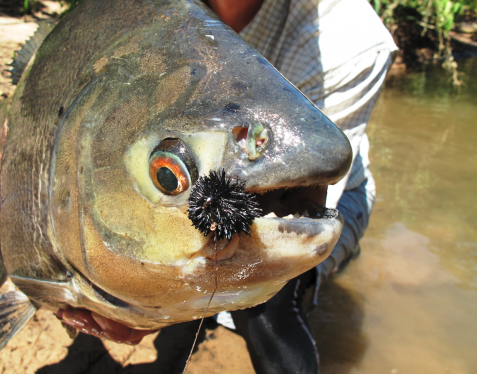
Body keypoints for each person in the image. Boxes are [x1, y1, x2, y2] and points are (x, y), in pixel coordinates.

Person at [58, 0, 397, 371]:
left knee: (267, 300)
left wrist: (165, 303)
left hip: (326, 195)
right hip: (204, 186)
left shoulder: (351, 38)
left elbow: (313, 182)